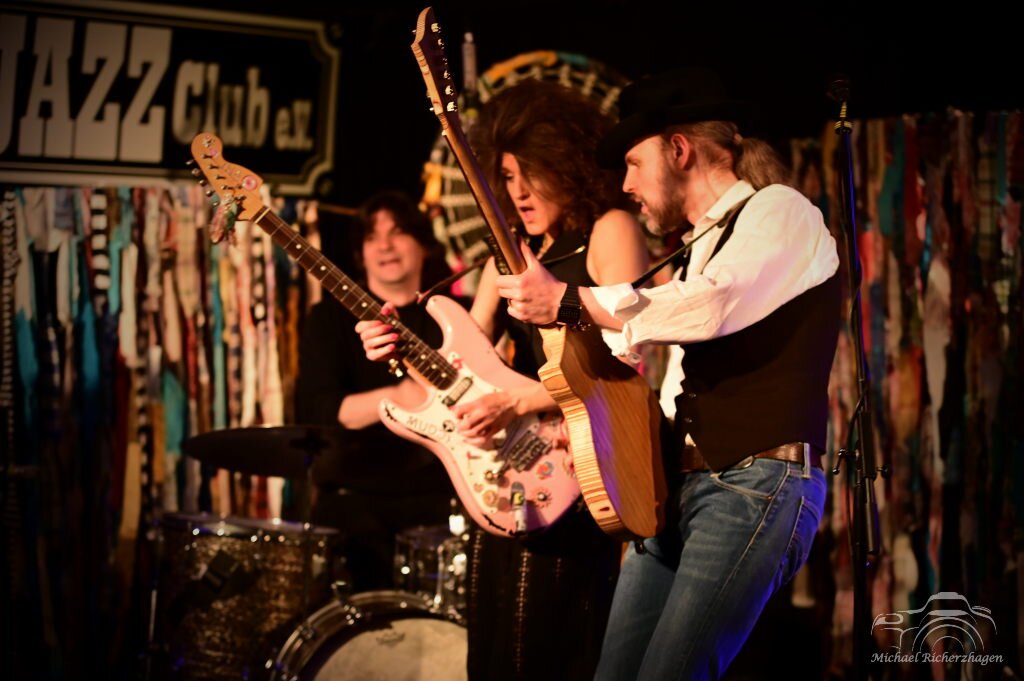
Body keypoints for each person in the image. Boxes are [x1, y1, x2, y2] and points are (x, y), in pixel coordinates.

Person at [494, 67, 841, 681]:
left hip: (756, 484)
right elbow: (652, 362)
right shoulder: (695, 248)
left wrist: (569, 299)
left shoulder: (781, 210)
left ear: (679, 150)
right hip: (679, 491)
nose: (625, 184)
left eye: (634, 162)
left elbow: (711, 305)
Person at [357, 79, 650, 681]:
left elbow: (624, 361)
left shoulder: (611, 230)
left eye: (529, 173)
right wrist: (396, 350)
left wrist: (518, 401)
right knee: (493, 654)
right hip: (508, 473)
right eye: (507, 177)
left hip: (581, 463)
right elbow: (468, 363)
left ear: (567, 163)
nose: (516, 192)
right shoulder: (509, 250)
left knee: (547, 650)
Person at [294, 190, 456, 592]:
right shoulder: (328, 319)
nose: (385, 245)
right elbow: (318, 411)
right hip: (354, 504)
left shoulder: (460, 317)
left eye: (397, 232)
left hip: (441, 501)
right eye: (372, 237)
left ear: (424, 244)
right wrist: (397, 397)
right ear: (360, 254)